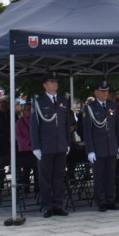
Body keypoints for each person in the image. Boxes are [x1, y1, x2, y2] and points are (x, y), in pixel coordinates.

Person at [30, 75, 72, 218]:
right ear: (45, 85)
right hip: (45, 146)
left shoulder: (62, 101)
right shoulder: (38, 102)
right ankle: (47, 206)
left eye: (56, 82)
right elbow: (34, 126)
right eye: (51, 82)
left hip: (60, 145)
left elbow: (67, 124)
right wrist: (36, 147)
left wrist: (67, 143)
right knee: (45, 178)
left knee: (59, 177)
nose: (55, 84)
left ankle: (58, 205)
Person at [81, 81, 119, 211]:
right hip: (98, 147)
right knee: (99, 176)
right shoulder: (90, 108)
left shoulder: (112, 105)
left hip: (111, 146)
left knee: (111, 175)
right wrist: (90, 150)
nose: (105, 93)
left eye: (106, 91)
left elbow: (117, 128)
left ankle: (110, 199)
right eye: (102, 91)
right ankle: (101, 201)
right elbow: (87, 131)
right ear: (96, 92)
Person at [15, 102, 35, 193]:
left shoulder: (36, 121)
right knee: (26, 169)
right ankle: (25, 187)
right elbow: (19, 137)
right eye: (28, 109)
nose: (30, 111)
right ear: (23, 111)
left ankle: (37, 187)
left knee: (37, 169)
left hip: (35, 149)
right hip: (25, 150)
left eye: (31, 109)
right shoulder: (19, 123)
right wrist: (30, 142)